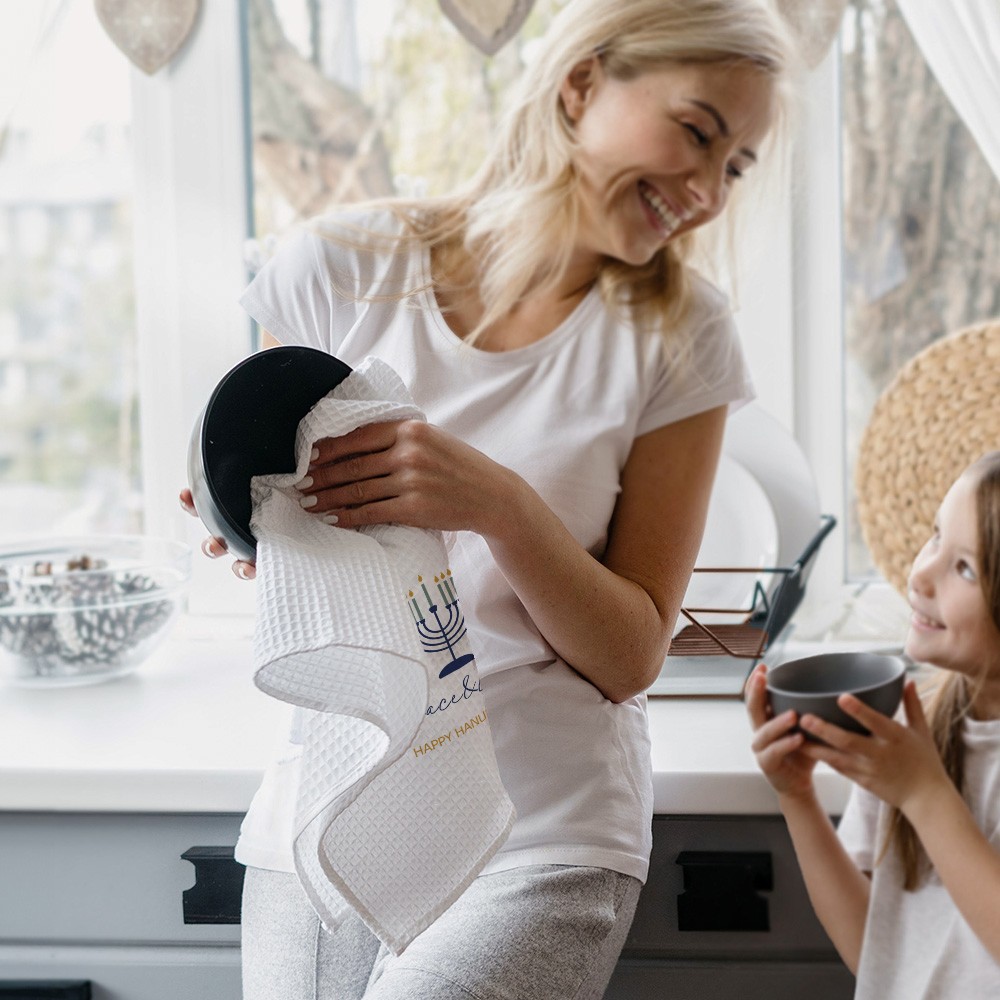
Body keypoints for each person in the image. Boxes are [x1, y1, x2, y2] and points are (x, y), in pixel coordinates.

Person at [182, 0, 794, 996]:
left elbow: (630, 654)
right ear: (581, 83)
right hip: (333, 791)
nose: (706, 191)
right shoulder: (340, 271)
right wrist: (241, 523)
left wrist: (497, 502)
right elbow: (284, 527)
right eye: (696, 131)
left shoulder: (681, 338)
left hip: (544, 823)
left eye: (733, 166)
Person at [747, 451, 1000, 998]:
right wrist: (797, 798)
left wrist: (923, 791)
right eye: (936, 537)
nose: (921, 573)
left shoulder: (909, 764)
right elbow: (878, 953)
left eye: (965, 568)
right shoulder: (905, 734)